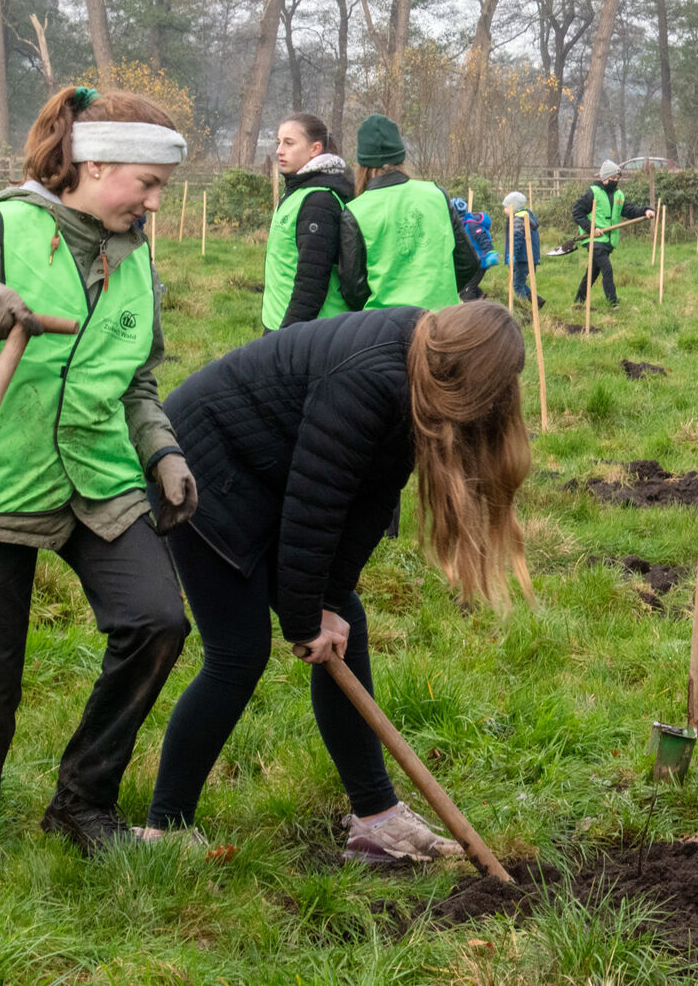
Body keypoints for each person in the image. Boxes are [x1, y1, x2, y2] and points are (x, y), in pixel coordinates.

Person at [0, 84, 197, 880]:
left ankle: (83, 799)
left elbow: (136, 377)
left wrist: (161, 450)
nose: (155, 204)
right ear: (91, 166)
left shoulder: (132, 254)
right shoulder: (6, 226)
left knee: (158, 621)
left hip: (98, 477)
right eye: (147, 184)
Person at [141, 301, 533, 862]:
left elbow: (366, 500)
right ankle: (166, 828)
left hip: (270, 469)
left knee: (346, 623)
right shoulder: (372, 378)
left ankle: (376, 818)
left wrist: (328, 603)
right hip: (204, 468)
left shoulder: (417, 368)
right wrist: (306, 619)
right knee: (237, 654)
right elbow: (314, 508)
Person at [347, 114, 480, 310]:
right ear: (401, 156)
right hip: (440, 321)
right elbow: (468, 262)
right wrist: (439, 292)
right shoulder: (436, 194)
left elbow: (353, 290)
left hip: (384, 328)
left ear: (361, 164)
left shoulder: (355, 211)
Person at [263, 112, 368, 331]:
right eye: (279, 142)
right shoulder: (299, 192)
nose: (279, 150)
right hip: (283, 324)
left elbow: (311, 284)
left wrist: (285, 339)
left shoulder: (318, 201)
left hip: (308, 333)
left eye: (289, 143)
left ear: (315, 149)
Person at [571, 160, 652, 310]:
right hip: (595, 240)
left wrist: (645, 210)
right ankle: (613, 303)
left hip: (608, 240)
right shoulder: (593, 193)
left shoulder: (618, 195)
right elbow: (577, 212)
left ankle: (578, 301)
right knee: (607, 269)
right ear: (604, 178)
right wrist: (591, 228)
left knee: (592, 273)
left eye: (617, 179)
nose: (615, 182)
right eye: (613, 179)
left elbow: (629, 210)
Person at [450, 197, 499, 302]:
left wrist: (490, 253)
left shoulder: (471, 225)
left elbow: (484, 239)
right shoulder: (460, 224)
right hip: (471, 262)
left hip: (480, 262)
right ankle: (482, 298)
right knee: (467, 284)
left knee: (466, 291)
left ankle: (471, 312)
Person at [501, 190, 544, 308]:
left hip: (522, 258)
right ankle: (537, 301)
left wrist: (512, 255)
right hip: (528, 257)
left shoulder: (518, 220)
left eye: (506, 207)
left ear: (513, 207)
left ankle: (524, 307)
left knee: (517, 285)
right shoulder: (527, 216)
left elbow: (516, 239)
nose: (504, 210)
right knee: (520, 282)